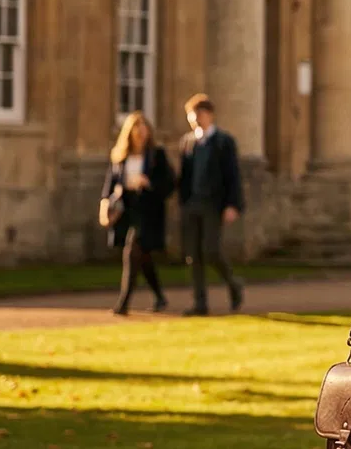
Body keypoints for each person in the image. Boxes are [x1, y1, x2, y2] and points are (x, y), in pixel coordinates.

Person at [177, 93, 245, 315]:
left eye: (198, 114)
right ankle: (200, 303)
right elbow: (185, 177)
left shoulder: (224, 142)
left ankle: (234, 284)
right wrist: (183, 202)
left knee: (211, 251)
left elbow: (232, 175)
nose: (195, 119)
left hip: (214, 204)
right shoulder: (188, 142)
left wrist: (233, 204)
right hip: (192, 204)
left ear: (209, 115)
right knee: (193, 255)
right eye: (191, 116)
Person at [103, 111, 175, 315]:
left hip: (148, 212)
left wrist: (148, 183)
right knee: (142, 258)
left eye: (144, 128)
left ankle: (123, 303)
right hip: (127, 211)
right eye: (137, 127)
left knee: (132, 251)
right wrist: (104, 206)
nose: (141, 132)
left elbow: (170, 183)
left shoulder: (156, 156)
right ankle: (160, 296)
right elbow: (110, 185)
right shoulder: (120, 157)